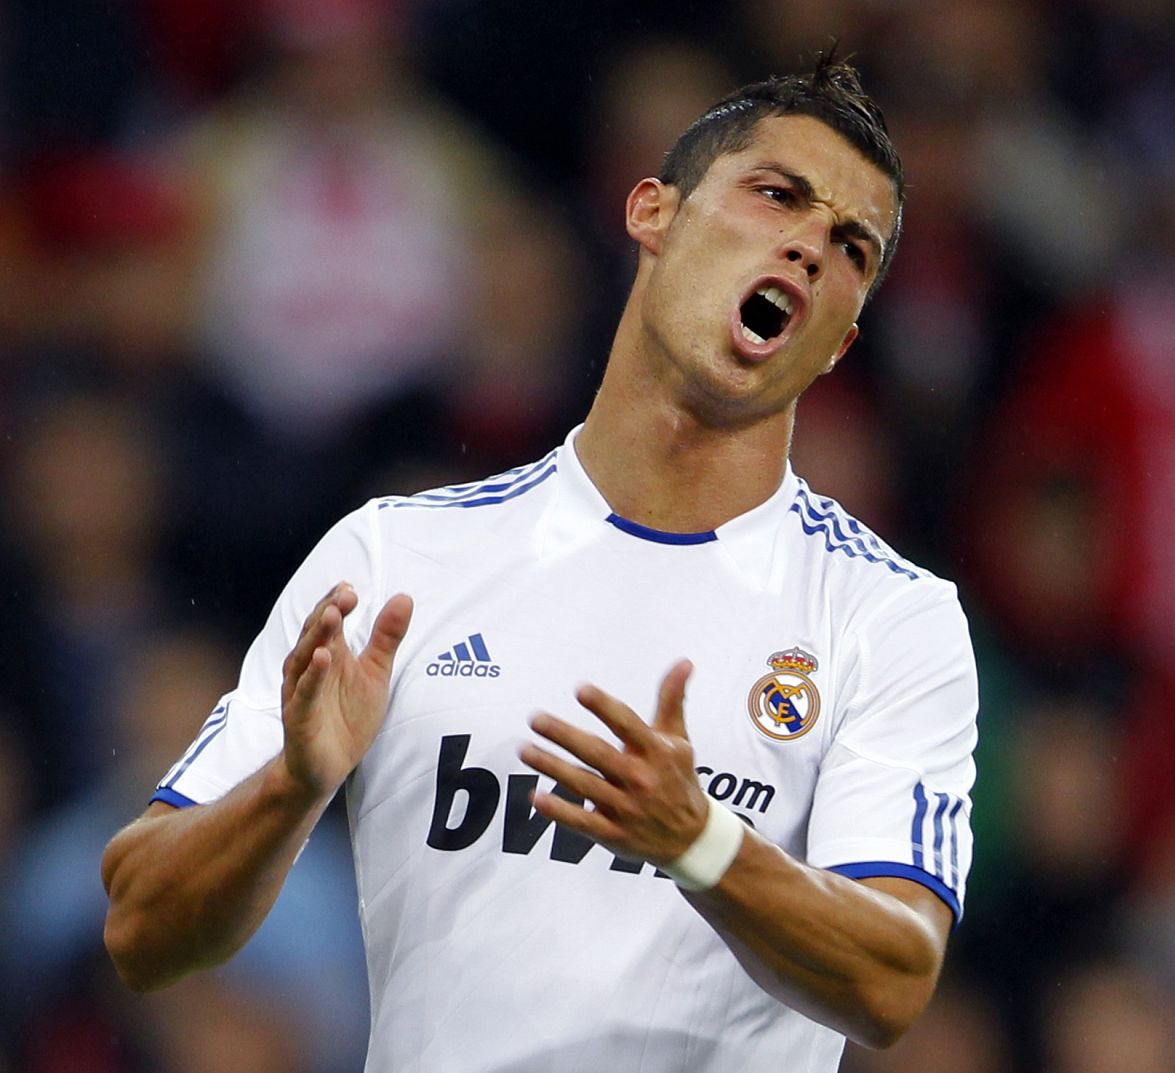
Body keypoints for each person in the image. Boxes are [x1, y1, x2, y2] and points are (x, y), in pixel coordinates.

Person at [100, 55, 979, 1073]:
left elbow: (893, 977)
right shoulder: (399, 557)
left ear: (839, 339)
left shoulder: (884, 615)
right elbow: (140, 929)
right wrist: (290, 789)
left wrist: (699, 840)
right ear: (653, 212)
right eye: (776, 195)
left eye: (850, 245)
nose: (808, 245)